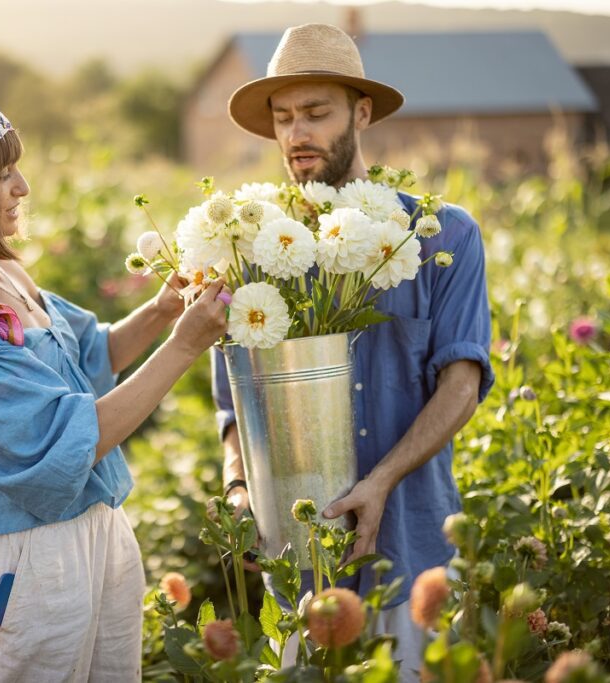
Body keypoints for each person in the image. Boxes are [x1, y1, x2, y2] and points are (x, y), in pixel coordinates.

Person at [0, 89, 228, 682]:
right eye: (3, 174)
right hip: (25, 558)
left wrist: (164, 310)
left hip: (98, 528)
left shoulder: (3, 269)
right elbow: (69, 440)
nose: (22, 188)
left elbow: (90, 357)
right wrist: (186, 345)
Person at [211, 23, 494, 679]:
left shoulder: (440, 235)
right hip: (299, 567)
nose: (296, 133)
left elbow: (462, 379)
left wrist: (380, 482)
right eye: (283, 118)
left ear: (362, 112)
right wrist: (237, 490)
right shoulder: (255, 250)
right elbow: (233, 402)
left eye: (316, 112)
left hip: (409, 545)